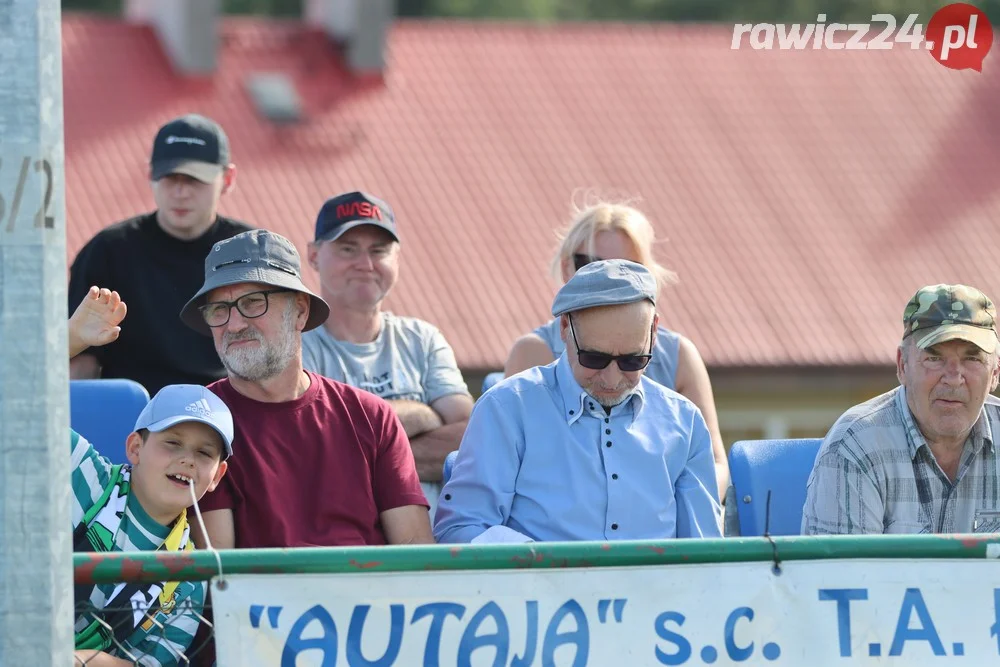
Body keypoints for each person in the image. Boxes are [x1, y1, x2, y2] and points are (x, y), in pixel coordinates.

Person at [434, 260, 723, 543]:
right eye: (594, 358)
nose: (611, 379)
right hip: (541, 589)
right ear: (563, 328)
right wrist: (538, 563)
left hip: (657, 590)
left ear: (654, 332)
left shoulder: (685, 421)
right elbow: (461, 527)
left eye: (633, 360)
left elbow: (705, 552)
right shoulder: (507, 409)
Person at [180, 229, 433, 549]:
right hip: (259, 598)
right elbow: (219, 576)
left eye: (253, 302)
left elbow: (416, 553)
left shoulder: (371, 416)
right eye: (219, 309)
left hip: (371, 595)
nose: (233, 324)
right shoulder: (200, 420)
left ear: (299, 311)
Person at [503, 202, 730, 501]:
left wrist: (673, 502)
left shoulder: (679, 355)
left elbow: (714, 463)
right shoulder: (532, 352)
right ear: (565, 267)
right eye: (590, 263)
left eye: (626, 268)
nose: (606, 278)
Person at [69, 286, 232, 667]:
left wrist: (73, 660)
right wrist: (71, 340)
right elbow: (13, 400)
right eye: (172, 443)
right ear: (134, 448)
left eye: (204, 453)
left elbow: (149, 664)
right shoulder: (84, 473)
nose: (187, 460)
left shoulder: (189, 577)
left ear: (217, 476)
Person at [302, 192, 474, 515]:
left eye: (378, 251)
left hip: (435, 544)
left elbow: (471, 438)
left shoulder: (422, 339)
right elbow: (315, 453)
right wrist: (426, 415)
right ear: (313, 256)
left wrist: (367, 455)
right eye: (347, 249)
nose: (365, 264)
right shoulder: (297, 346)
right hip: (340, 544)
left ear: (397, 258)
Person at [68, 114, 253, 396]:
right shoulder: (108, 250)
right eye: (169, 177)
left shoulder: (251, 251)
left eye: (195, 179)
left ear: (227, 179)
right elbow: (82, 360)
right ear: (150, 174)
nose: (180, 192)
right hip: (134, 414)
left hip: (228, 411)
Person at [802, 284, 1000, 535]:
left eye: (972, 358)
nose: (953, 378)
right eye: (934, 358)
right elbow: (847, 573)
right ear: (902, 366)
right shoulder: (857, 446)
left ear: (995, 373)